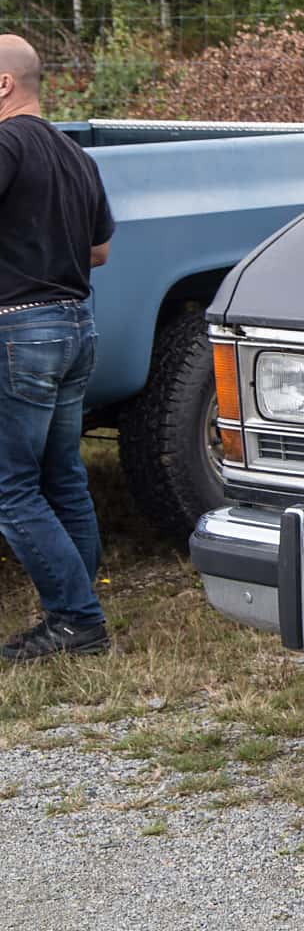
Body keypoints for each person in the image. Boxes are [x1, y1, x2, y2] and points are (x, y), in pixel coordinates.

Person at [0, 34, 114, 662]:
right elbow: (99, 250)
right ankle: (76, 610)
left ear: (4, 84)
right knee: (63, 475)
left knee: (11, 488)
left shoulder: (5, 144)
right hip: (75, 326)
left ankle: (77, 620)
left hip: (19, 331)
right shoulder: (76, 156)